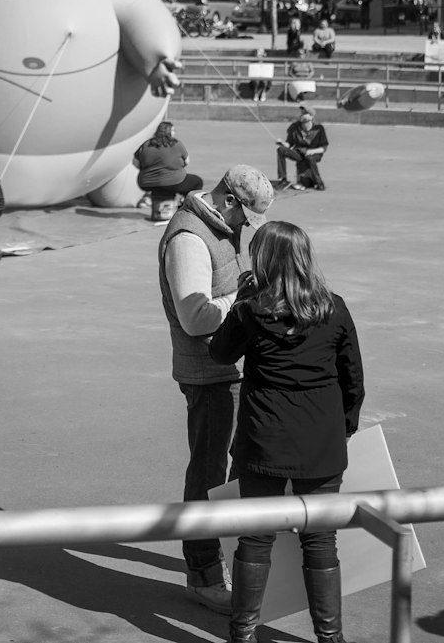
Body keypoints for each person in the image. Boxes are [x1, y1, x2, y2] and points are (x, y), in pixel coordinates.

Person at [208, 221, 364, 643]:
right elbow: (353, 380)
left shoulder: (250, 310)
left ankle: (241, 634)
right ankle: (330, 638)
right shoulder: (334, 307)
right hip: (321, 439)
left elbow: (219, 353)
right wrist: (344, 428)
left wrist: (241, 297)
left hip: (264, 437)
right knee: (320, 541)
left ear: (264, 262)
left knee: (255, 539)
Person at [157, 164, 275, 615]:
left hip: (224, 366)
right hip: (207, 375)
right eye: (246, 216)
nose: (246, 226)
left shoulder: (216, 227)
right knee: (207, 475)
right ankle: (204, 573)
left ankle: (211, 558)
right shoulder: (189, 238)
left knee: (226, 467)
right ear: (228, 201)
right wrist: (243, 301)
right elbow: (195, 317)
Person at [133, 119, 203, 201]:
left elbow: (135, 163)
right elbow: (187, 161)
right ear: (169, 132)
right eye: (173, 130)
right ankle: (185, 205)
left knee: (162, 188)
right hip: (175, 182)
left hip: (147, 183)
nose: (174, 132)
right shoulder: (176, 144)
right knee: (197, 181)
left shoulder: (146, 144)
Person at [276, 107, 329, 191]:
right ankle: (282, 179)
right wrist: (282, 143)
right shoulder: (294, 127)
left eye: (305, 113)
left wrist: (311, 151)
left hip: (314, 154)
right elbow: (289, 143)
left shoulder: (319, 128)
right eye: (301, 113)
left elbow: (324, 147)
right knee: (281, 150)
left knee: (309, 159)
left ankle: (319, 182)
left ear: (311, 116)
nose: (302, 115)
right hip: (299, 153)